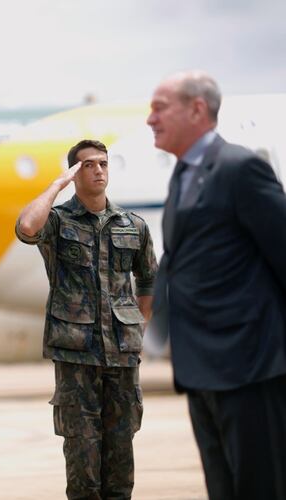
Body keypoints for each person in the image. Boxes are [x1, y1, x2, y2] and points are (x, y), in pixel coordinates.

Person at [147, 71, 286, 499]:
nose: (150, 119)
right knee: (222, 486)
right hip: (200, 368)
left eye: (159, 107)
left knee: (260, 486)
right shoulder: (183, 176)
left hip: (249, 366)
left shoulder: (240, 168)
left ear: (197, 109)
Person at [15, 139, 157, 499]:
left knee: (121, 448)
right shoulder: (58, 222)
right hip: (76, 354)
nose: (98, 170)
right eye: (89, 164)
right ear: (75, 171)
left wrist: (138, 325)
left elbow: (149, 279)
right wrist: (57, 185)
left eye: (103, 164)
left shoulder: (132, 225)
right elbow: (27, 228)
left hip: (122, 354)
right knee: (82, 453)